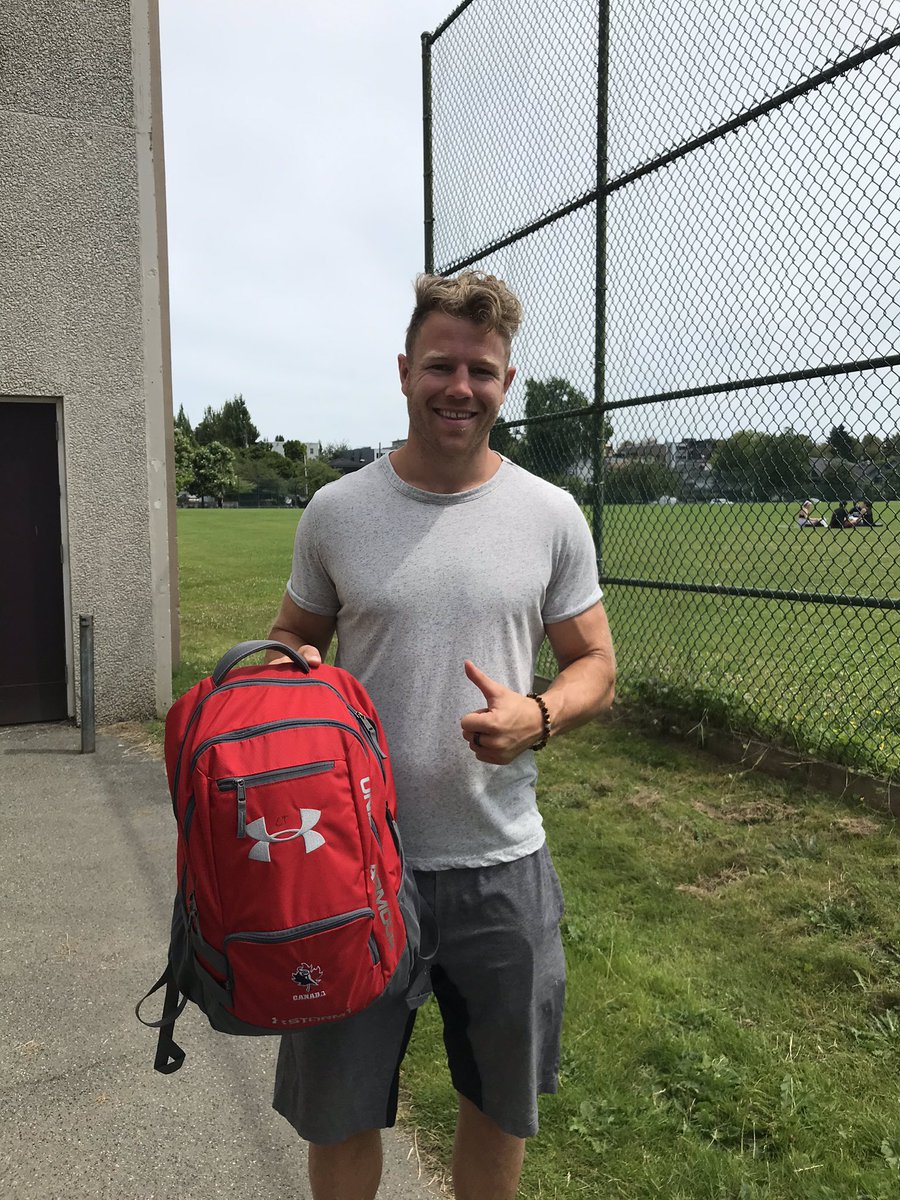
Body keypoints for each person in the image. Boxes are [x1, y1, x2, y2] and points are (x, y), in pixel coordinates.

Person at [265, 270, 616, 1200]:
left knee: (498, 1105)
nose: (460, 387)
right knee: (340, 1110)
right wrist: (295, 675)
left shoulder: (550, 514)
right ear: (404, 372)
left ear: (507, 384)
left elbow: (595, 663)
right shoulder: (338, 511)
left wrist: (539, 715)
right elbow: (293, 636)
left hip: (501, 863)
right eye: (440, 366)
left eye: (481, 370)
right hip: (351, 864)